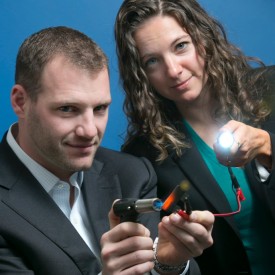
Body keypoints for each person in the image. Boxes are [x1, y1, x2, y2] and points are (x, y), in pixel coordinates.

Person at [0, 26, 215, 275]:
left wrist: (168, 264)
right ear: (20, 102)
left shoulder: (133, 174)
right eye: (67, 109)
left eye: (100, 108)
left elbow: (160, 265)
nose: (90, 131)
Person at [114, 0, 275, 274]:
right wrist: (166, 258)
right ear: (141, 75)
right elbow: (156, 261)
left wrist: (268, 146)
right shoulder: (143, 156)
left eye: (180, 46)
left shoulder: (270, 88)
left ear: (203, 39)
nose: (173, 70)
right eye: (152, 61)